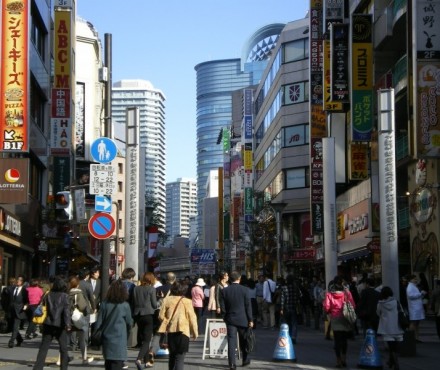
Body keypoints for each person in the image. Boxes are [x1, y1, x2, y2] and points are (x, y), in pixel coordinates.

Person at [33, 276, 72, 370]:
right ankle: (63, 367)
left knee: (44, 347)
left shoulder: (47, 294)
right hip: (60, 324)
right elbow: (66, 312)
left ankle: (37, 367)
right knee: (63, 348)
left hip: (48, 323)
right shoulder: (65, 296)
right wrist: (68, 325)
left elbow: (41, 306)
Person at [158, 281, 198, 370]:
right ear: (184, 290)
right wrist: (195, 332)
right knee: (180, 357)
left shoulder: (167, 300)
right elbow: (192, 318)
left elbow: (160, 315)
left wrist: (167, 321)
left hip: (171, 331)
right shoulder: (187, 301)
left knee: (172, 356)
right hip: (184, 332)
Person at [96, 279, 133, 370]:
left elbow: (98, 323)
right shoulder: (125, 305)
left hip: (107, 339)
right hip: (120, 339)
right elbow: (129, 323)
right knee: (117, 364)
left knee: (108, 364)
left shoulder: (104, 304)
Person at [220, 271, 253, 370]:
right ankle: (245, 360)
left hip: (230, 319)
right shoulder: (245, 290)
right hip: (243, 319)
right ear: (239, 279)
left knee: (231, 341)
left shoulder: (225, 291)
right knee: (244, 340)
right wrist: (250, 319)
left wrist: (224, 317)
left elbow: (223, 307)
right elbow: (248, 306)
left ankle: (232, 364)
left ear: (230, 279)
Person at [323, 275, 356, 368]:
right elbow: (353, 305)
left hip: (335, 318)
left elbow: (327, 307)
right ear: (342, 283)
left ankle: (338, 361)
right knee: (344, 340)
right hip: (345, 318)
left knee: (337, 341)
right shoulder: (347, 293)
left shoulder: (329, 294)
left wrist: (329, 312)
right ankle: (344, 359)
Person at [133, 272, 157, 370]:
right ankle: (139, 359)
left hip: (138, 315)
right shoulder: (152, 289)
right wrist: (160, 301)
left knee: (143, 339)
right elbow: (154, 305)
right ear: (151, 280)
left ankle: (147, 361)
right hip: (149, 315)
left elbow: (134, 301)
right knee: (147, 340)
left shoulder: (136, 288)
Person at [377, 286, 404, 370]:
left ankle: (395, 364)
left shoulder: (380, 304)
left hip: (387, 328)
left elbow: (378, 313)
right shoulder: (396, 302)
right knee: (395, 348)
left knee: (391, 348)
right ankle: (392, 362)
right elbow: (402, 312)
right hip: (397, 327)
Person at [69, 275, 93, 364]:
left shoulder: (67, 293)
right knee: (82, 339)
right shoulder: (79, 293)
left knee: (64, 340)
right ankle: (84, 358)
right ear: (77, 284)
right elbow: (83, 306)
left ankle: (61, 358)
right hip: (77, 318)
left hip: (68, 319)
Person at [7, 275, 28, 348]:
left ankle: (11, 342)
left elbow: (27, 301)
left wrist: (25, 306)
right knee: (12, 327)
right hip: (11, 310)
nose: (17, 281)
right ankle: (19, 339)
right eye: (17, 280)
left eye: (19, 280)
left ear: (22, 282)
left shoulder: (24, 291)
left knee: (15, 327)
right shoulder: (12, 289)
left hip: (19, 311)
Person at [280, 274, 302, 343]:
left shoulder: (284, 288)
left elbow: (283, 299)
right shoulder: (296, 288)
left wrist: (281, 308)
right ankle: (293, 337)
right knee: (294, 323)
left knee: (286, 323)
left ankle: (287, 336)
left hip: (286, 308)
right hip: (294, 307)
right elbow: (300, 295)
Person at [406, 274, 426, 342]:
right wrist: (420, 294)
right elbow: (411, 296)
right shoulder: (410, 287)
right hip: (414, 307)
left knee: (417, 323)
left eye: (416, 279)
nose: (416, 280)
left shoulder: (414, 286)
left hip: (416, 307)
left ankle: (416, 337)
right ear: (410, 280)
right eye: (414, 279)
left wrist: (421, 294)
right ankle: (411, 337)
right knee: (414, 322)